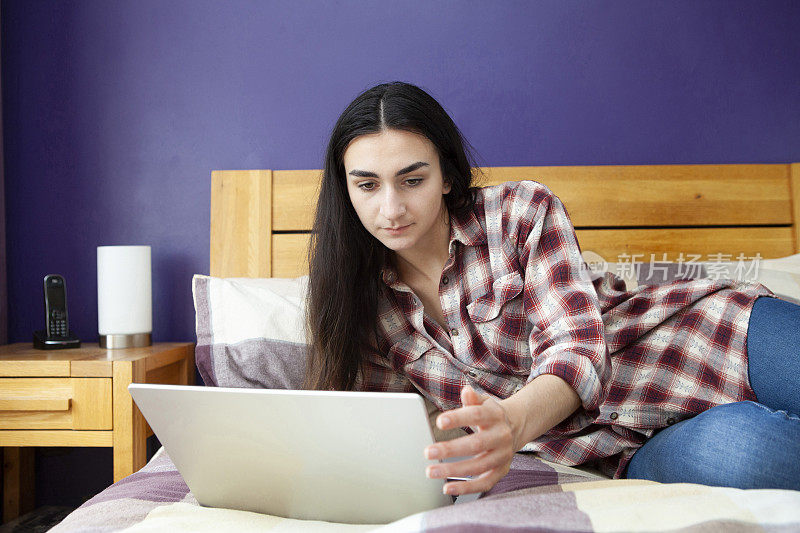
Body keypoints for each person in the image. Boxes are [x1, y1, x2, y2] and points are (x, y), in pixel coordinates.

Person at [304, 81, 800, 496]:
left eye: (412, 180)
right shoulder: (359, 310)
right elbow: (392, 434)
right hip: (624, 447)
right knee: (754, 456)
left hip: (707, 337)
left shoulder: (520, 212)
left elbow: (576, 348)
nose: (391, 209)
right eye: (367, 185)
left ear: (448, 177)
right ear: (345, 190)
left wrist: (511, 423)